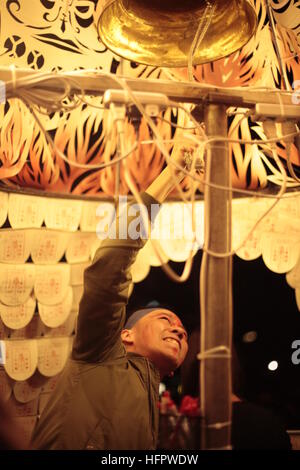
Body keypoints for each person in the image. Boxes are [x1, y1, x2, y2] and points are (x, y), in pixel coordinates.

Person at [31, 144, 190, 450]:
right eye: (165, 319)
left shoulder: (149, 397)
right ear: (125, 335)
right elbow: (109, 265)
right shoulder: (101, 354)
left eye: (181, 331)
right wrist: (172, 174)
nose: (179, 330)